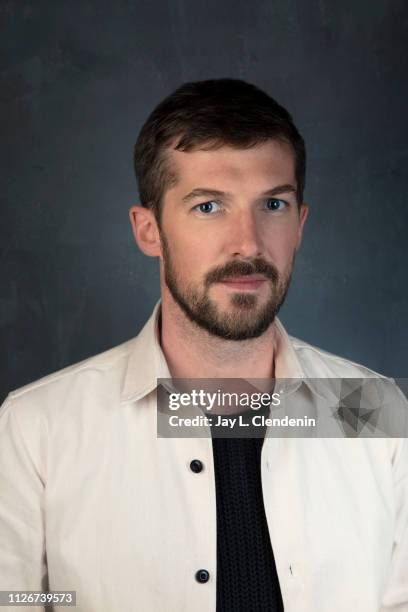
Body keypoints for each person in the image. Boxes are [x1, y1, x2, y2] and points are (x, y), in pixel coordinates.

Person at [0, 78, 407, 612]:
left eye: (274, 204)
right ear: (148, 231)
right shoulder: (38, 429)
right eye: (208, 207)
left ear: (301, 224)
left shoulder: (372, 409)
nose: (248, 243)